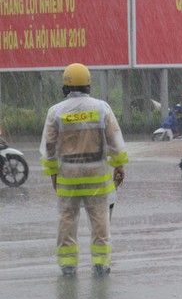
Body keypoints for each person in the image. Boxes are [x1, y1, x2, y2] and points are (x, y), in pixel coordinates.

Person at [40, 63, 128, 277]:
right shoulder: (101, 108)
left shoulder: (56, 112)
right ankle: (100, 264)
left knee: (67, 220)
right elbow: (115, 142)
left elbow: (49, 147)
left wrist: (53, 173)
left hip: (68, 178)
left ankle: (68, 266)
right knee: (100, 220)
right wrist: (119, 166)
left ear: (66, 86)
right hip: (97, 178)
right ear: (89, 84)